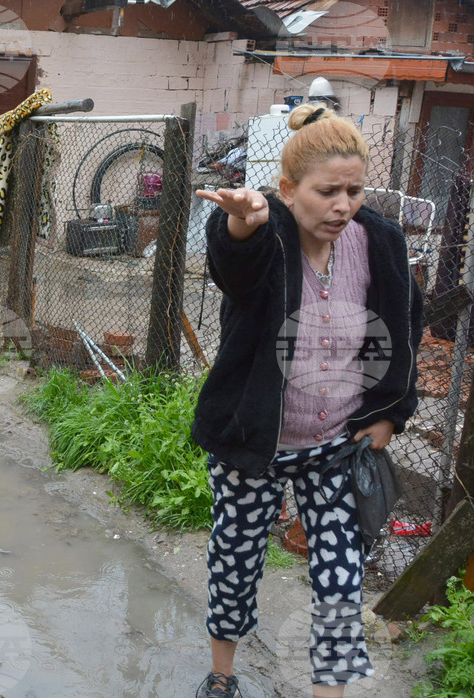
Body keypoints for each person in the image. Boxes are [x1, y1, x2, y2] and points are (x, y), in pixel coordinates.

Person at [191, 103, 422, 698]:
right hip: (254, 444)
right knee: (235, 562)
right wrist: (242, 226)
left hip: (335, 447)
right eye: (327, 192)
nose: (342, 205)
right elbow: (234, 269)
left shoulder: (379, 243)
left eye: (354, 191)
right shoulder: (268, 237)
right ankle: (222, 675)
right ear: (289, 190)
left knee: (341, 584)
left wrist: (390, 413)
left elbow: (403, 329)